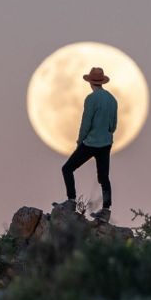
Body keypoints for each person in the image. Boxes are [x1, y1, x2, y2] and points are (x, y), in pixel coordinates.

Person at [55, 67, 117, 222]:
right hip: (106, 143)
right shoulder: (112, 99)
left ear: (90, 82)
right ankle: (106, 210)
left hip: (90, 143)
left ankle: (71, 201)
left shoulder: (91, 99)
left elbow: (86, 123)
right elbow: (113, 127)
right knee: (104, 177)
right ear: (102, 81)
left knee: (67, 168)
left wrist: (80, 141)